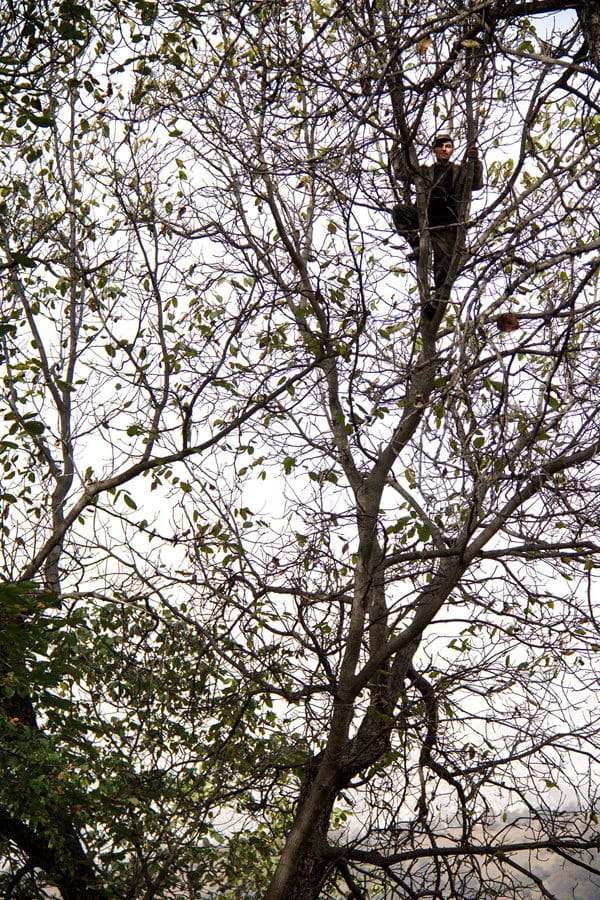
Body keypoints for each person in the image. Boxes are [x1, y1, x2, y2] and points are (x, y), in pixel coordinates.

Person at [390, 133, 484, 316]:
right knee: (399, 211)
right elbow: (402, 173)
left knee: (443, 267)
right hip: (425, 217)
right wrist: (396, 148)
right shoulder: (425, 171)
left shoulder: (461, 171)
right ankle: (416, 244)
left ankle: (437, 303)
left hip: (447, 224)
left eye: (448, 146)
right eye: (440, 146)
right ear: (434, 149)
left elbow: (477, 184)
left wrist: (476, 161)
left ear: (452, 150)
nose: (444, 149)